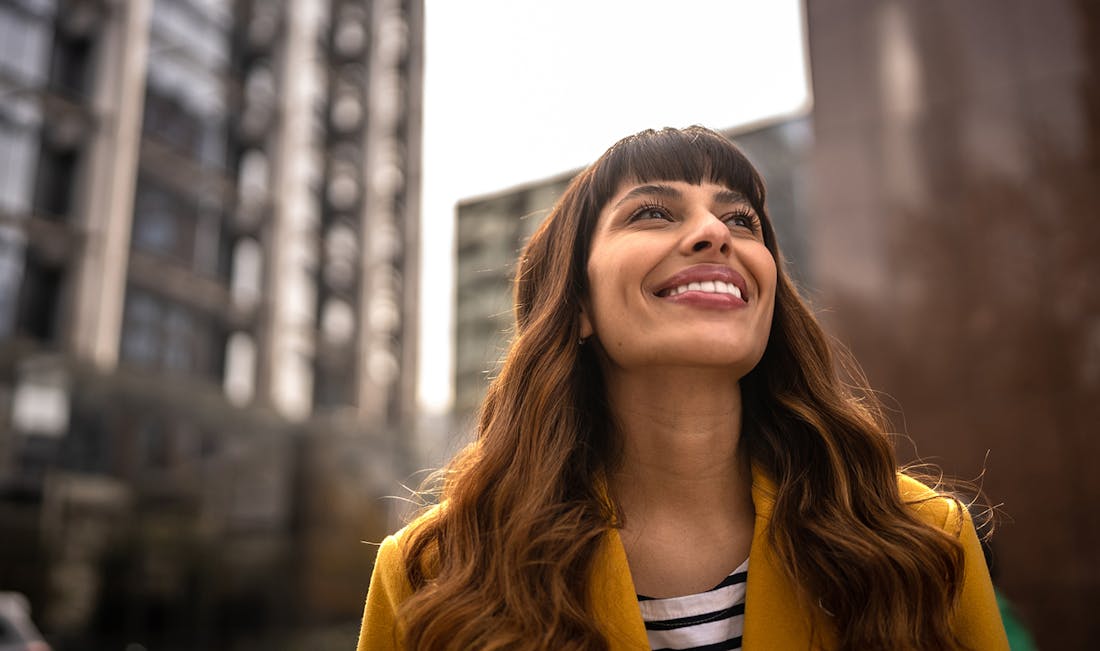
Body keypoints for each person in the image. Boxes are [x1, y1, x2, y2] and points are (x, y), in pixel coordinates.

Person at [357, 126, 1009, 650]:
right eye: (652, 211)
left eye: (742, 219)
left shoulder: (923, 540)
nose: (714, 232)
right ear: (578, 304)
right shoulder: (429, 574)